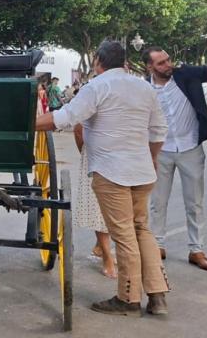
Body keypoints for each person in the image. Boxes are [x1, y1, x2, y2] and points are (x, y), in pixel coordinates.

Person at [36, 41, 169, 317]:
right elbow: (158, 131)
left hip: (112, 172)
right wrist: (152, 158)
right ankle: (157, 296)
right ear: (124, 62)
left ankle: (128, 298)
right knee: (142, 229)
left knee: (123, 234)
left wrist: (24, 122)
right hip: (142, 172)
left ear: (98, 61)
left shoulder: (96, 87)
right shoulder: (145, 87)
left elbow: (65, 117)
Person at [142, 47, 207, 271]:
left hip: (190, 147)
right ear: (149, 67)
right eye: (161, 63)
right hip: (160, 150)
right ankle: (157, 245)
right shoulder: (144, 89)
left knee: (194, 202)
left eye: (168, 60)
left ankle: (197, 249)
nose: (168, 65)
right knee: (158, 202)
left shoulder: (186, 75)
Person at [73, 122, 117, 279]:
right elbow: (78, 129)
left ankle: (100, 246)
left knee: (117, 205)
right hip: (96, 153)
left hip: (121, 152)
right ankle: (107, 256)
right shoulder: (91, 98)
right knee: (98, 206)